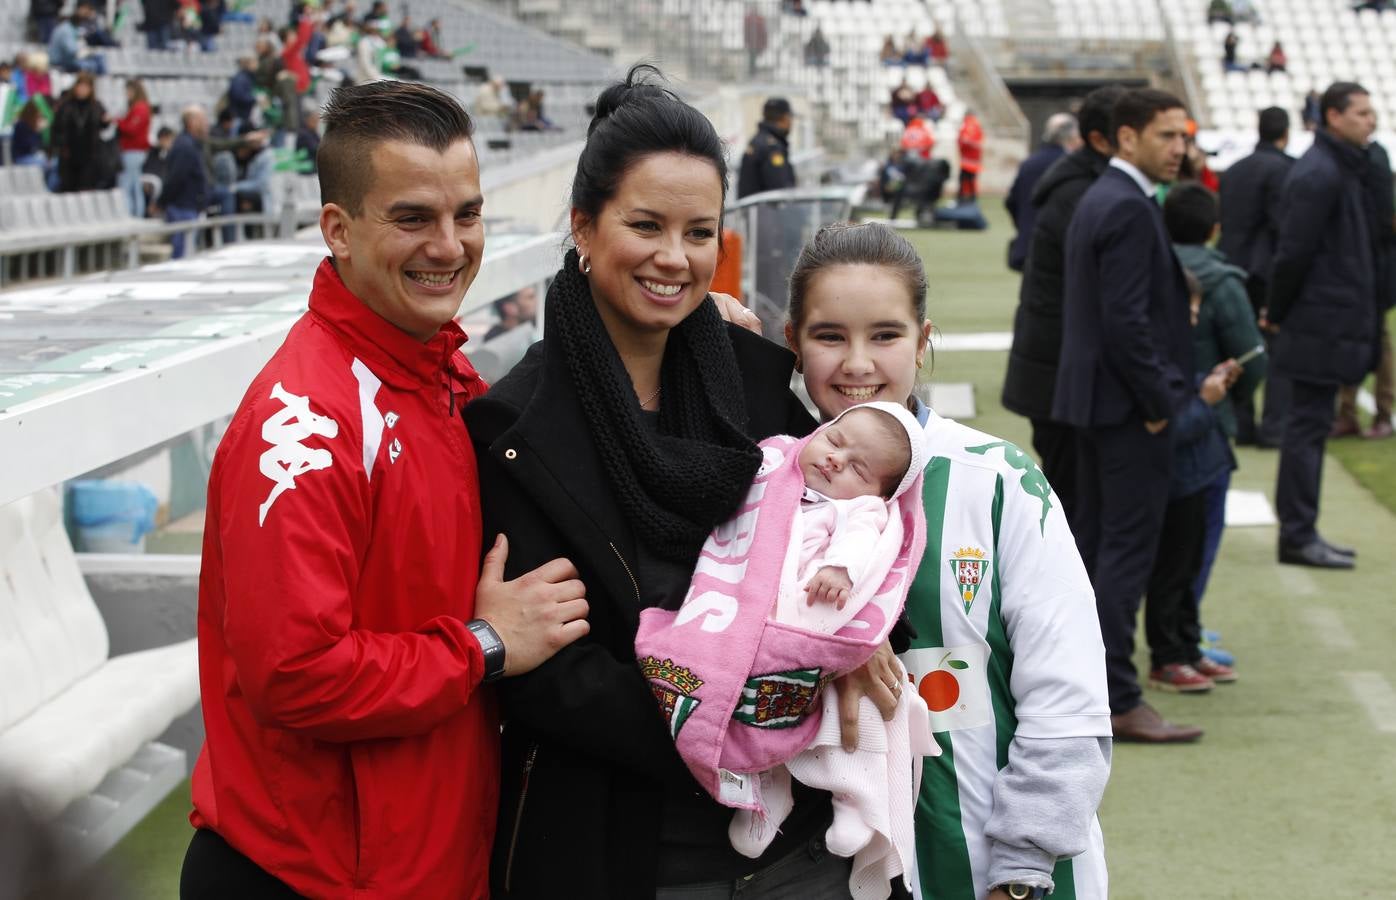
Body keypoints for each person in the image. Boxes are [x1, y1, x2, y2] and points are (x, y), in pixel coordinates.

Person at [464, 65, 899, 899]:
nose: (675, 258)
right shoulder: (516, 426)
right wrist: (733, 715)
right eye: (646, 226)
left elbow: (855, 523)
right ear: (583, 227)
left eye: (700, 232)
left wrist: (857, 620)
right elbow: (552, 675)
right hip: (632, 848)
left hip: (800, 847)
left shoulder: (761, 379)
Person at [180, 80, 590, 899]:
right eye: (412, 218)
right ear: (338, 230)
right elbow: (295, 673)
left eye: (465, 214)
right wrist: (485, 644)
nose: (448, 245)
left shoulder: (443, 374)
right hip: (308, 879)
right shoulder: (303, 423)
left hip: (423, 866)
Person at [784, 221, 1111, 900]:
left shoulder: (998, 481)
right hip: (822, 869)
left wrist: (1023, 867)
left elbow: (1068, 694)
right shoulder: (772, 481)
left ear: (923, 342)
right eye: (828, 336)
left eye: (885, 335)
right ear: (792, 341)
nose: (857, 364)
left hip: (996, 869)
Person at [633, 401, 931, 897]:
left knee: (839, 724)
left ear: (882, 491)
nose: (836, 460)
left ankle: (855, 800)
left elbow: (864, 542)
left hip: (806, 622)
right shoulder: (776, 464)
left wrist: (841, 569)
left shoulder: (859, 509)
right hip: (740, 610)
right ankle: (760, 801)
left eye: (858, 467)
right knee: (742, 715)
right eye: (835, 440)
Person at [1055, 88, 1202, 743]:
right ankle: (1117, 696)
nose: (1181, 148)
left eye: (1183, 136)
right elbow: (1128, 322)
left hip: (1096, 402)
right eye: (1167, 136)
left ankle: (1083, 686)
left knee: (1094, 549)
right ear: (1126, 138)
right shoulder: (1126, 205)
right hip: (1124, 409)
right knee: (1123, 554)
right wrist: (1158, 404)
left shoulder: (1108, 199)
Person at [1002, 84, 1125, 522]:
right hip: (1059, 371)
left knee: (1075, 489)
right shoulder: (1083, 194)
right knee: (1072, 496)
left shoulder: (1079, 184)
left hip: (1056, 366)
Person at [1268, 82, 1379, 569]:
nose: (1370, 121)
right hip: (1315, 320)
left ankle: (1303, 530)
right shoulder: (1319, 172)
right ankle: (1297, 534)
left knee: (1311, 429)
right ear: (1333, 116)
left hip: (1326, 317)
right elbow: (1293, 252)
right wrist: (1278, 309)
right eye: (1360, 113)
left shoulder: (1341, 166)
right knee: (1306, 429)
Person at [1166, 185, 1265, 667]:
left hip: (1150, 422)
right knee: (1193, 545)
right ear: (1213, 228)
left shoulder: (1149, 266)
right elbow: (1252, 356)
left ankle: (1171, 641)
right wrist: (1232, 403)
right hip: (1202, 421)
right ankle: (1183, 641)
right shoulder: (1221, 281)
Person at [1142, 267, 1241, 693]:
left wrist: (1208, 386)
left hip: (1199, 475)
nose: (1196, 319)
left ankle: (1187, 644)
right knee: (1172, 571)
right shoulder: (1154, 358)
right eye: (1191, 310)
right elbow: (1169, 428)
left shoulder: (1179, 350)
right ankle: (1167, 656)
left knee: (1189, 568)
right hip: (1176, 480)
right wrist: (1207, 400)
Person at [1218, 106, 1293, 447]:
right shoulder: (1285, 170)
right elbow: (1283, 230)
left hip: (1231, 269)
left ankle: (1243, 423)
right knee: (1277, 351)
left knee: (1239, 349)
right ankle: (1274, 427)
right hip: (1267, 272)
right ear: (1285, 133)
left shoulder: (1234, 170)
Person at [1333, 138, 1395, 440]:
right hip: (1353, 265)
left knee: (1377, 340)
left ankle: (1382, 412)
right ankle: (1349, 412)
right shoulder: (1347, 161)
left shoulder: (1374, 160)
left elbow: (1385, 220)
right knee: (1351, 336)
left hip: (1374, 267)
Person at [1005, 112, 1081, 272]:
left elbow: (1011, 201)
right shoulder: (1070, 165)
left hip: (1028, 245)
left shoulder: (1029, 163)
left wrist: (1023, 226)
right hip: (1059, 250)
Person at [155, 105, 210, 259]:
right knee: (181, 256)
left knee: (187, 253)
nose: (207, 124)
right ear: (192, 122)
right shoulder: (185, 147)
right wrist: (161, 202)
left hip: (189, 207)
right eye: (203, 120)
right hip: (182, 208)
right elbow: (175, 178)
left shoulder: (192, 145)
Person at [50, 72, 108, 193]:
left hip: (90, 156)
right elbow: (56, 129)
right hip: (68, 156)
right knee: (68, 188)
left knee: (86, 188)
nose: (82, 90)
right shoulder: (66, 106)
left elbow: (103, 125)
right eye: (80, 86)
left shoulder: (96, 106)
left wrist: (106, 121)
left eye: (86, 87)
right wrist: (61, 146)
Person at [738, 96, 796, 199]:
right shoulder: (772, 148)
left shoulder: (756, 141)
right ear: (785, 117)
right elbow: (781, 191)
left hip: (752, 212)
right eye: (790, 117)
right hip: (768, 214)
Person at [956, 111, 983, 203]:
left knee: (964, 179)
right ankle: (972, 198)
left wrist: (967, 143)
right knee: (971, 179)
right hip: (974, 159)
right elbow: (979, 142)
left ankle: (963, 197)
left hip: (967, 159)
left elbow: (963, 140)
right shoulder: (977, 126)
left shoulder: (966, 126)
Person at [11, 100, 48, 167]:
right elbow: (28, 145)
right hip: (21, 157)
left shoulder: (31, 125)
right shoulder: (21, 125)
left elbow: (41, 145)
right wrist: (38, 130)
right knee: (43, 162)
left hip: (30, 155)